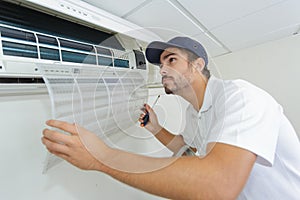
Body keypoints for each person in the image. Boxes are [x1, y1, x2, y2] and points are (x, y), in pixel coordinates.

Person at [42, 36, 300, 199]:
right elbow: (188, 150)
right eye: (161, 64)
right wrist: (156, 128)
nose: (163, 69)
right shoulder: (193, 112)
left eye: (172, 60)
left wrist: (102, 157)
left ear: (197, 65)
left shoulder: (240, 96)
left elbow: (218, 185)